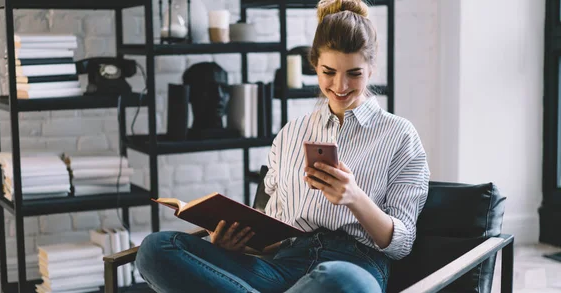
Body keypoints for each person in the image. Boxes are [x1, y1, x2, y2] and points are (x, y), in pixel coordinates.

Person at [135, 0, 430, 292]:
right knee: (157, 248)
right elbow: (272, 234)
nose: (340, 86)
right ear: (314, 64)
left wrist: (355, 197)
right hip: (281, 265)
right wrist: (237, 244)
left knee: (339, 279)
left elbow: (401, 244)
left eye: (354, 73)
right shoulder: (292, 133)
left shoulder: (399, 135)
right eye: (329, 72)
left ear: (371, 68)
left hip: (354, 266)